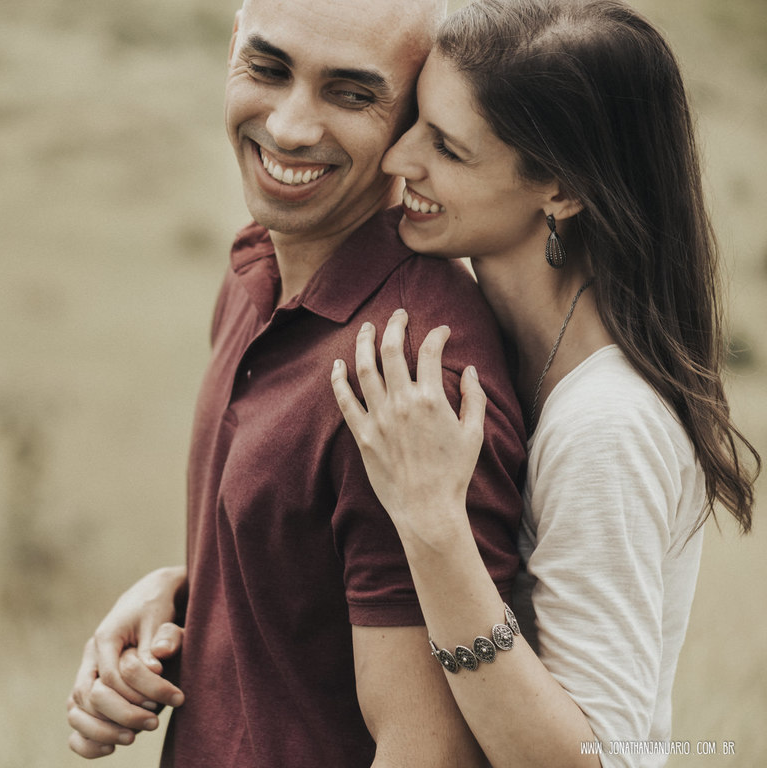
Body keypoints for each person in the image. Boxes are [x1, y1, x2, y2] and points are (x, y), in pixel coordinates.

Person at [67, 0, 530, 764]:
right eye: (268, 67)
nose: (287, 128)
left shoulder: (410, 377)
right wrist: (183, 602)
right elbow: (301, 566)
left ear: (413, 120)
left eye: (351, 93)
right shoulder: (258, 266)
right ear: (232, 51)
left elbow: (426, 748)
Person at [329, 1, 760, 766]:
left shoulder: (608, 426)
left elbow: (605, 759)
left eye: (449, 149)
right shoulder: (489, 342)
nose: (399, 161)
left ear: (560, 190)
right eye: (416, 121)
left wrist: (434, 525)